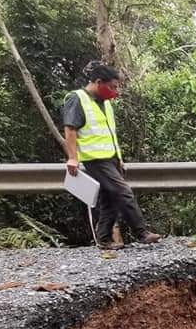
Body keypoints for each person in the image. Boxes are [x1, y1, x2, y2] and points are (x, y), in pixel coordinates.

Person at [63, 61, 161, 250]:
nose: (115, 91)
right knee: (123, 192)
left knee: (110, 199)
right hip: (95, 159)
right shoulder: (77, 99)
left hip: (111, 158)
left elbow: (109, 133)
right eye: (112, 87)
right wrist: (73, 157)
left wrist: (119, 159)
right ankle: (141, 232)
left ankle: (104, 239)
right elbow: (70, 130)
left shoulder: (105, 103)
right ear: (98, 82)